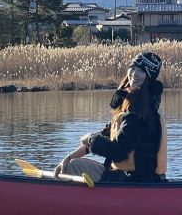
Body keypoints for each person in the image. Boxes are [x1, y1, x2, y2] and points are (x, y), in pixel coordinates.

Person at [54, 52, 167, 183]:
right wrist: (69, 157)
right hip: (128, 177)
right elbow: (106, 134)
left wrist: (91, 139)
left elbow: (118, 151)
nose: (134, 74)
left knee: (74, 166)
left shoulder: (140, 113)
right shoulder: (134, 104)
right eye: (133, 67)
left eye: (141, 71)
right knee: (71, 162)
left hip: (134, 180)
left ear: (149, 77)